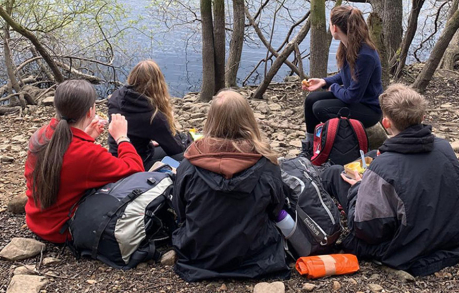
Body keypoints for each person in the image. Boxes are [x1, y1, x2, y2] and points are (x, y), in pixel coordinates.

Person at [320, 83, 459, 276]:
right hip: (452, 238)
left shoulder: (382, 168)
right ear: (422, 117)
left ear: (386, 123)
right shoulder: (444, 147)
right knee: (374, 154)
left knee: (333, 173)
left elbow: (366, 229)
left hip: (407, 249)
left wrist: (358, 187)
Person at [172, 90, 290, 282]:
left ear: (210, 120)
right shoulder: (267, 165)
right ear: (248, 119)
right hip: (256, 256)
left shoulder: (189, 165)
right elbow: (276, 209)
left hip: (198, 256)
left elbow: (181, 211)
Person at [25, 80, 144, 243]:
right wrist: (122, 137)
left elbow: (65, 159)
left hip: (36, 221)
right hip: (61, 230)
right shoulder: (88, 154)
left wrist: (87, 137)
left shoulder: (40, 135)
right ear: (90, 111)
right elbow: (136, 170)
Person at [301, 6, 383, 158]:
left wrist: (332, 88)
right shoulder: (348, 45)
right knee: (311, 100)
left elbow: (352, 96)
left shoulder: (365, 55)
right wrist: (323, 82)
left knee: (320, 108)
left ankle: (336, 147)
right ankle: (310, 147)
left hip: (369, 109)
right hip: (356, 100)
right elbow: (345, 76)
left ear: (335, 27)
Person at [108, 60, 186, 171]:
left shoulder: (116, 97)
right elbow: (176, 149)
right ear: (159, 83)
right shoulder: (153, 116)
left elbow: (134, 130)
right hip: (136, 165)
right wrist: (170, 121)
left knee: (162, 145)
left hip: (115, 156)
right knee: (184, 156)